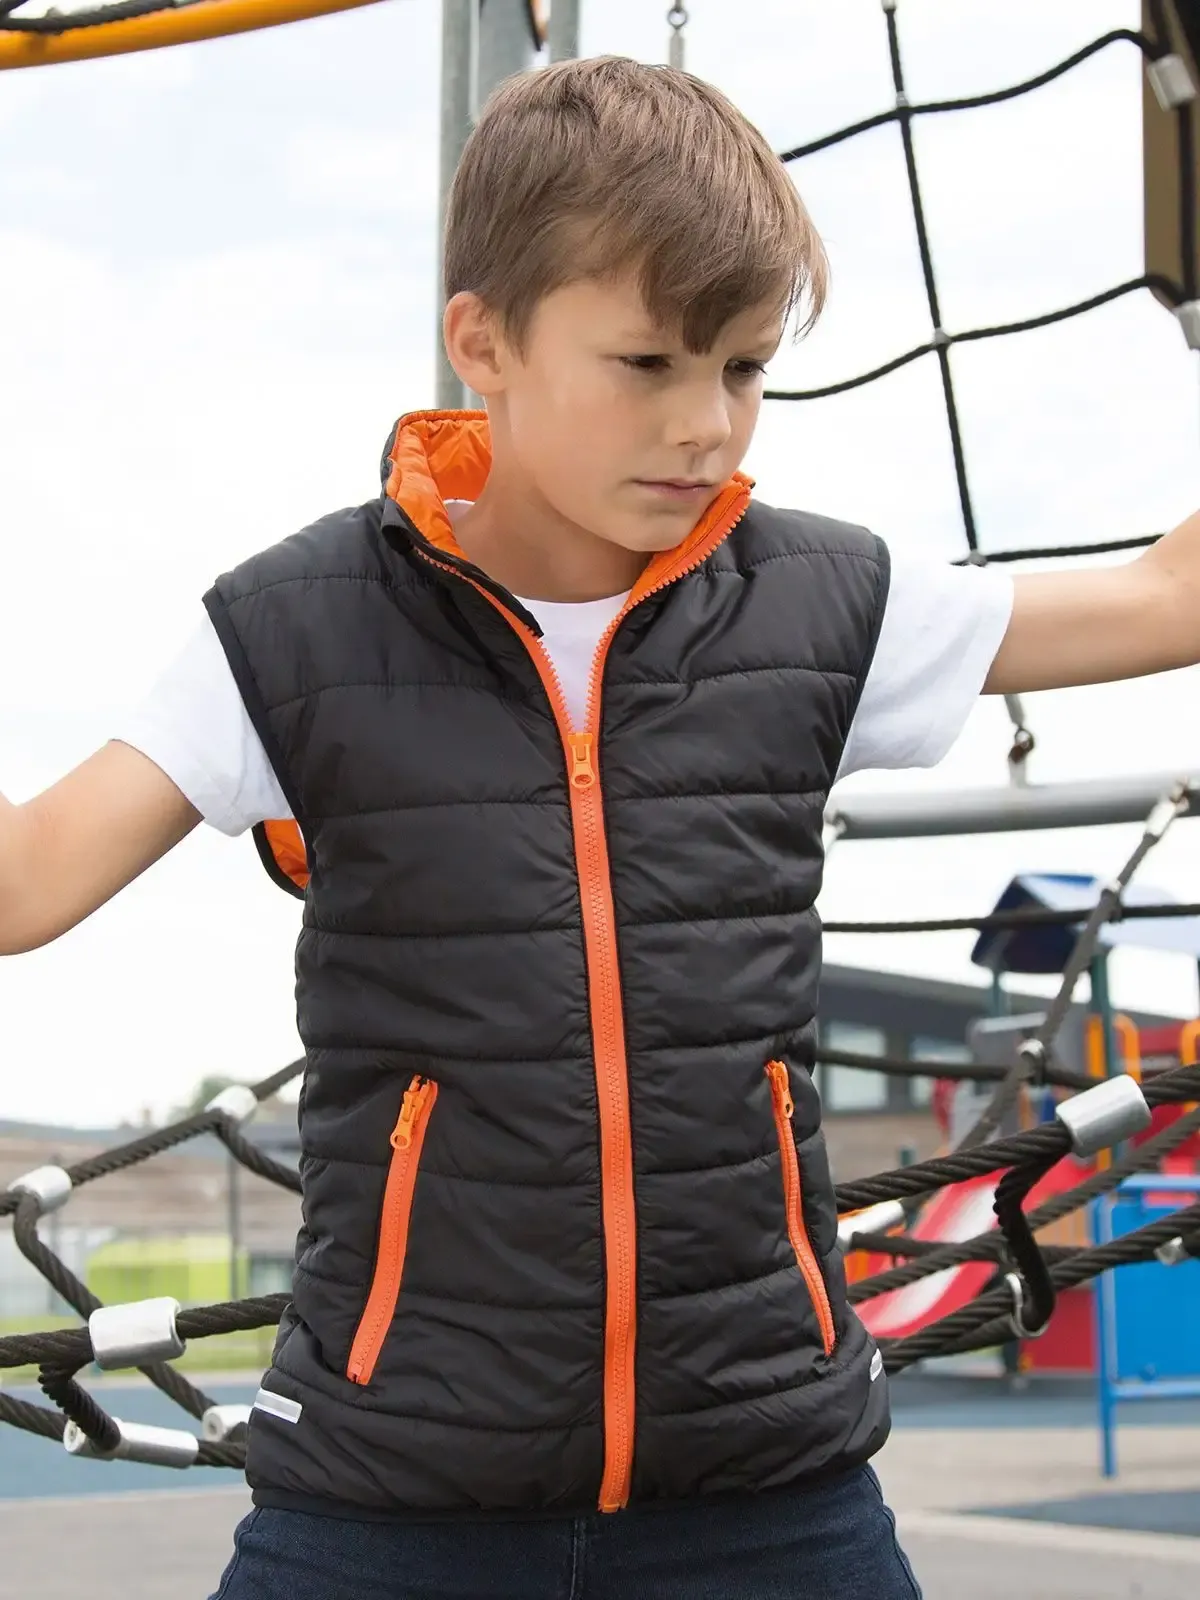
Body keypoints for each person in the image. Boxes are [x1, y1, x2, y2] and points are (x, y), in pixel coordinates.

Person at [1, 56, 1197, 1600]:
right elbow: (26, 883)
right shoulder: (293, 632)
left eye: (744, 368)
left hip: (765, 1487)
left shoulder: (823, 603)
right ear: (482, 343)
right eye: (646, 363)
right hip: (393, 1493)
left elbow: (1168, 595)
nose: (705, 424)